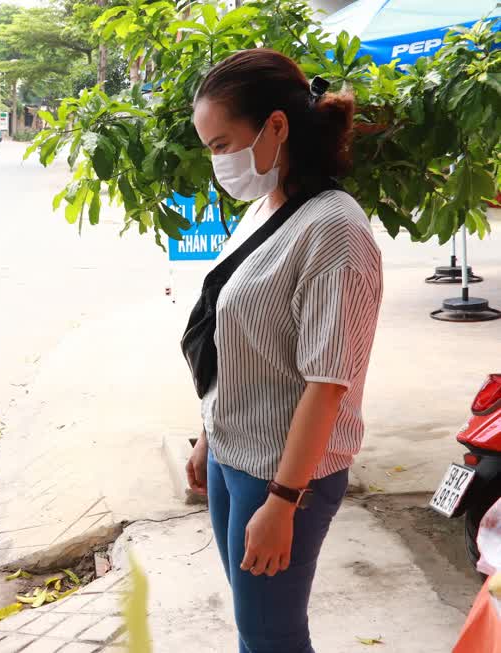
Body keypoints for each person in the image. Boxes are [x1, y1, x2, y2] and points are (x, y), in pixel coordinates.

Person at [184, 48, 383, 653]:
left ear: (276, 126)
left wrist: (284, 501)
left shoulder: (334, 230)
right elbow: (242, 343)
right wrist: (207, 435)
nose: (218, 162)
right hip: (232, 453)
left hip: (281, 475)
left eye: (223, 145)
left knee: (271, 637)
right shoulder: (264, 208)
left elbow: (328, 383)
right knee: (255, 626)